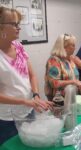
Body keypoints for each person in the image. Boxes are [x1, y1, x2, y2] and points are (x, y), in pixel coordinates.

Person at [0, 7, 53, 144]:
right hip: (8, 119)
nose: (19, 28)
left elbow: (32, 75)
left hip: (29, 110)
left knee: (31, 143)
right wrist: (25, 101)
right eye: (14, 24)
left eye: (18, 24)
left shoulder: (18, 46)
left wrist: (35, 96)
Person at [44, 33, 81, 102]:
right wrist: (74, 82)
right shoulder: (54, 61)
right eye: (73, 45)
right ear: (64, 47)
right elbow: (54, 83)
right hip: (59, 101)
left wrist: (79, 86)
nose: (75, 48)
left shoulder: (70, 59)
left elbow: (75, 78)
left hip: (71, 98)